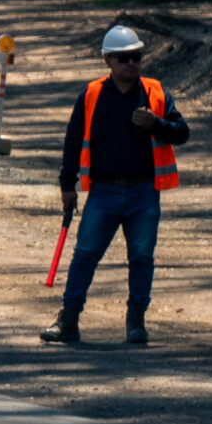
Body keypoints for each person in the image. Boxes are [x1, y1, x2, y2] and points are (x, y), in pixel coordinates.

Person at [45, 24, 189, 347]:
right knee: (85, 255)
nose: (131, 64)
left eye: (135, 57)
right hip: (103, 192)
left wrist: (156, 124)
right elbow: (72, 140)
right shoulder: (92, 94)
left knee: (141, 257)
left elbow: (182, 132)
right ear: (108, 61)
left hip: (143, 192)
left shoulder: (156, 93)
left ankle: (136, 322)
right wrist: (66, 185)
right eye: (123, 59)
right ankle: (68, 321)